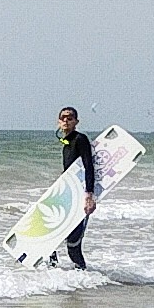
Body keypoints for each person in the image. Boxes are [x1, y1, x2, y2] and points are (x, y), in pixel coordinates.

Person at [53, 104, 101, 268]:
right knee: (52, 240)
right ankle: (53, 275)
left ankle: (85, 280)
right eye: (63, 118)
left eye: (70, 118)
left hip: (80, 198)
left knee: (73, 247)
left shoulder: (80, 139)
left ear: (76, 121)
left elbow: (89, 166)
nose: (66, 120)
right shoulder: (66, 142)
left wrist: (89, 196)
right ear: (58, 122)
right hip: (69, 196)